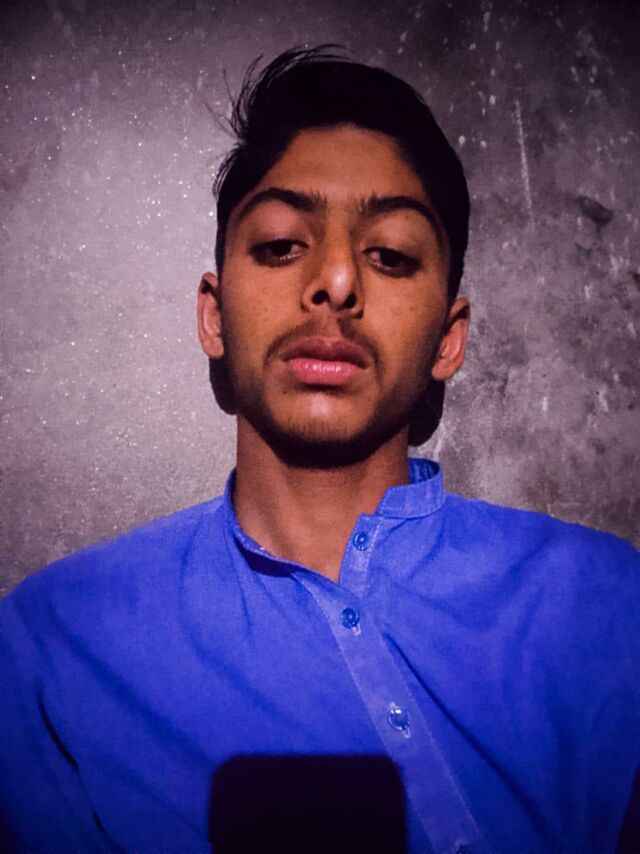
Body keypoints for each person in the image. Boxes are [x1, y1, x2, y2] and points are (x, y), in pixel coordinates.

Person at [0, 46, 638, 854]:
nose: (336, 280)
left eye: (391, 255)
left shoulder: (610, 608)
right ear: (214, 316)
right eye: (279, 244)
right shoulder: (53, 647)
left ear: (449, 339)